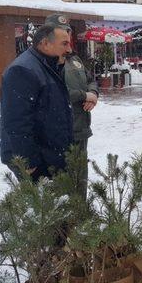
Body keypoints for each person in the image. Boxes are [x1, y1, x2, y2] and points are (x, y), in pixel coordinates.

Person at [0, 23, 73, 182]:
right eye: (64, 44)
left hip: (50, 156)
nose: (69, 50)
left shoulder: (48, 65)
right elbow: (16, 121)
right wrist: (28, 161)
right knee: (45, 205)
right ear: (45, 43)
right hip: (37, 162)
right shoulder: (23, 70)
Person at [46, 14, 99, 197]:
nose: (66, 38)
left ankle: (80, 215)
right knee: (62, 182)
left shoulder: (74, 59)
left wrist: (93, 95)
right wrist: (85, 95)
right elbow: (56, 94)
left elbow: (91, 79)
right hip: (61, 132)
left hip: (81, 129)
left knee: (80, 178)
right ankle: (66, 222)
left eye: (67, 32)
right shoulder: (46, 64)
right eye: (62, 33)